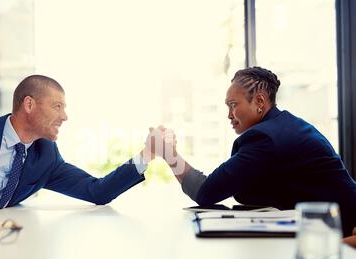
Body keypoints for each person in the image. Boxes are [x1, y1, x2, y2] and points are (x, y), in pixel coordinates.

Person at [0, 75, 156, 222]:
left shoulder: (46, 156)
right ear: (29, 104)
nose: (65, 117)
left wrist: (146, 155)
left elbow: (97, 191)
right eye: (57, 106)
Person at [150, 66, 356, 237]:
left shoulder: (267, 139)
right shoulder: (283, 126)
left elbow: (206, 192)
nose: (229, 115)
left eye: (233, 105)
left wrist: (169, 154)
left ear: (259, 101)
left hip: (344, 229)